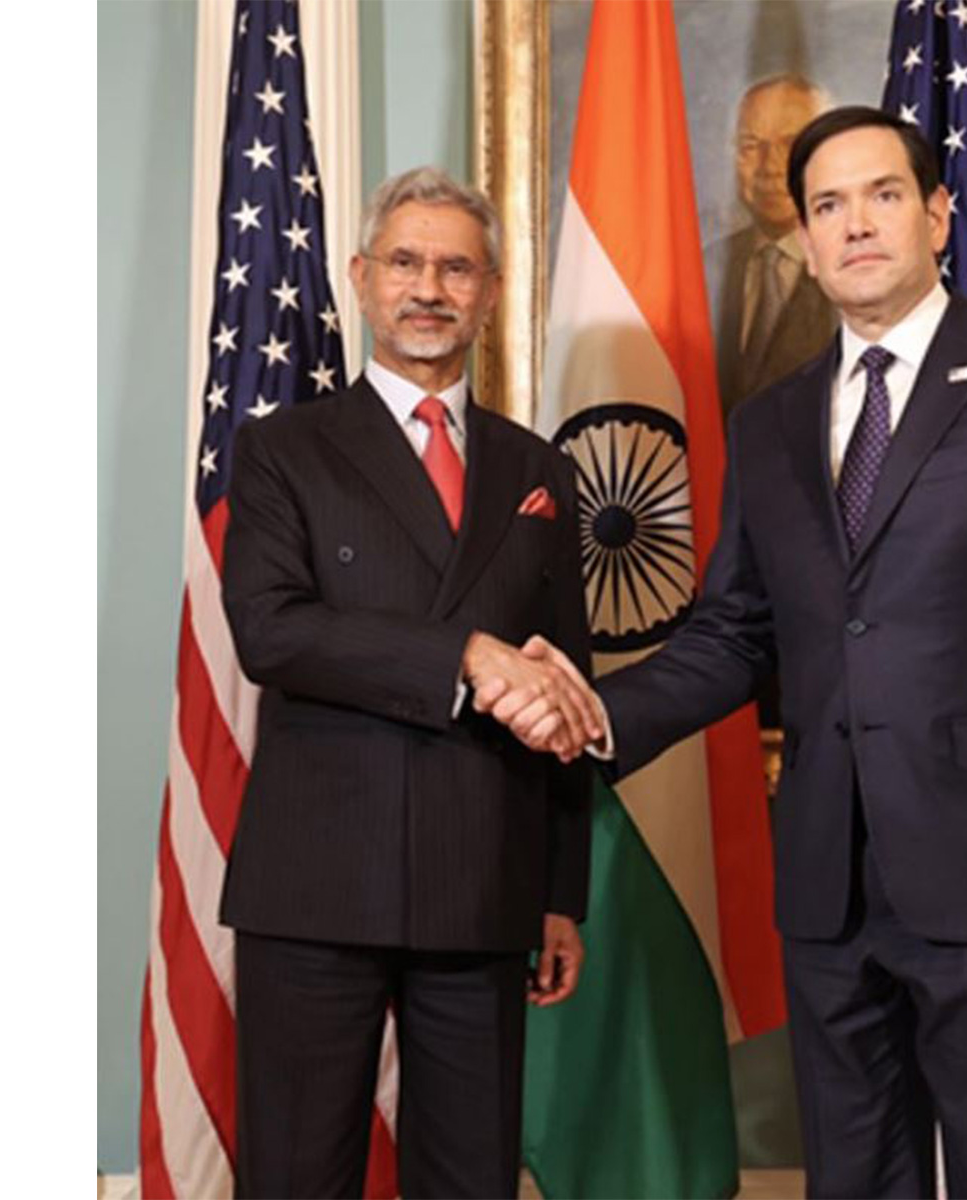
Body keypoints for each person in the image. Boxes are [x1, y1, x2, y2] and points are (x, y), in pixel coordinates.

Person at [513, 108, 967, 1198]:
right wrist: (594, 714)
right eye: (827, 205)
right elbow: (737, 629)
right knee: (853, 1179)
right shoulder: (770, 422)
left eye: (883, 195)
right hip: (827, 882)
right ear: (805, 241)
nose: (855, 224)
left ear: (937, 214)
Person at [218, 166, 603, 1199]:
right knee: (297, 1176)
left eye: (454, 267)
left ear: (488, 290)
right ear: (359, 277)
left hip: (484, 878)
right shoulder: (279, 449)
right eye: (404, 261)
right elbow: (272, 632)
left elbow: (566, 684)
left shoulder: (540, 471)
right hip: (314, 882)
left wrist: (560, 891)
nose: (427, 286)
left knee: (471, 1180)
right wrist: (463, 656)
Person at [709, 73, 839, 422]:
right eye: (751, 146)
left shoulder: (861, 265)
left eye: (790, 143)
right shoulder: (701, 269)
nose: (769, 166)